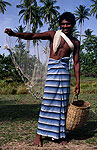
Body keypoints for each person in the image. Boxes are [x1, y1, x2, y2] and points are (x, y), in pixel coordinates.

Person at [5, 12, 80, 146]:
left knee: (62, 104)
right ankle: (39, 135)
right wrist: (15, 34)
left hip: (64, 73)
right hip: (52, 72)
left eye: (68, 23)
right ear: (60, 25)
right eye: (63, 24)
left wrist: (78, 82)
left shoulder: (75, 42)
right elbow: (33, 35)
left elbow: (76, 62)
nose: (65, 26)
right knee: (48, 103)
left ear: (72, 24)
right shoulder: (53, 34)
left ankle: (60, 135)